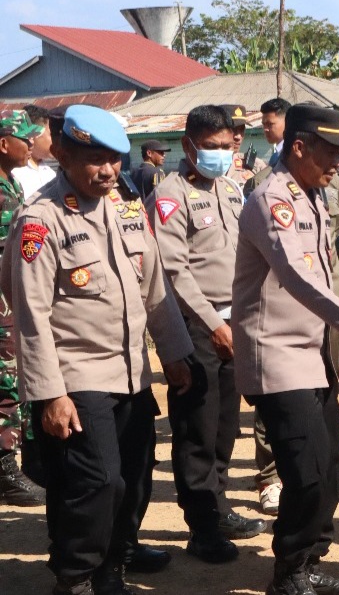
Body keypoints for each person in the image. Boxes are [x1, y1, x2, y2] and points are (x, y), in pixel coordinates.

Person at [1, 104, 195, 595]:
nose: (107, 170)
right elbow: (30, 315)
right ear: (62, 153)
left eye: (114, 158)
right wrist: (49, 395)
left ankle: (112, 570)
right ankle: (76, 577)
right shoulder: (39, 221)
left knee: (134, 478)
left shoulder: (128, 210)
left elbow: (156, 291)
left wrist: (174, 353)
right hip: (76, 377)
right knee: (96, 482)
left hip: (132, 373)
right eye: (94, 159)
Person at [234, 104, 339, 595]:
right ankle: (288, 573)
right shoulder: (273, 199)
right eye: (330, 151)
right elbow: (296, 275)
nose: (337, 162)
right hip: (278, 357)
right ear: (299, 147)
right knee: (306, 472)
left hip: (314, 355)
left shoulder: (311, 194)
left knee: (330, 466)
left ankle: (309, 559)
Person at [149, 104, 267, 563]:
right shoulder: (170, 195)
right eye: (211, 148)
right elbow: (174, 270)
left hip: (236, 324)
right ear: (189, 146)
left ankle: (219, 507)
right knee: (196, 428)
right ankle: (202, 526)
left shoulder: (232, 190)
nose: (221, 154)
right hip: (198, 328)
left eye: (226, 146)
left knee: (223, 427)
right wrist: (213, 324)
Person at [0, 110, 46, 508]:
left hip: (10, 300)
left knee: (16, 383)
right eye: (25, 138)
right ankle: (5, 470)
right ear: (3, 144)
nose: (31, 144)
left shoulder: (11, 182)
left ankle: (19, 466)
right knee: (5, 385)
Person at [13, 105, 58, 200]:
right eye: (51, 135)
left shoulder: (51, 174)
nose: (55, 140)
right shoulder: (13, 173)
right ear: (33, 134)